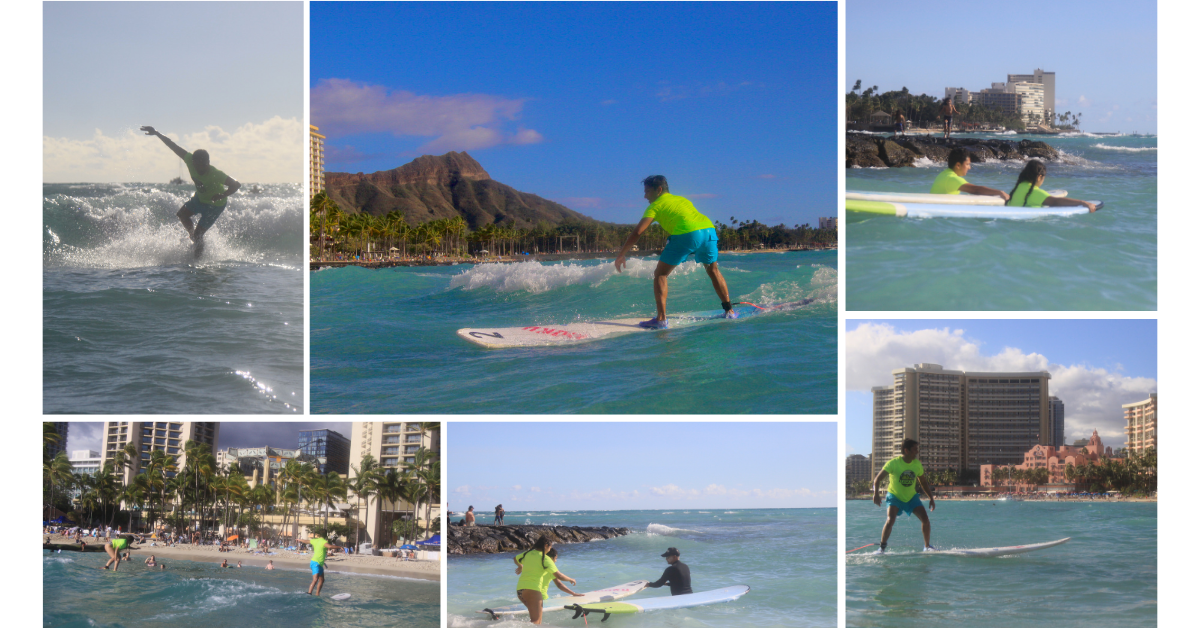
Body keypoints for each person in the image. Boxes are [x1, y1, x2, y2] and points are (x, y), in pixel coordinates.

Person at [614, 176, 734, 328]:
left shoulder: (655, 205)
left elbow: (638, 231)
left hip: (688, 233)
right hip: (709, 230)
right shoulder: (682, 200)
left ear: (659, 190)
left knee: (660, 274)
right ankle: (729, 311)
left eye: (647, 191)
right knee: (713, 271)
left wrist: (621, 254)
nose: (645, 196)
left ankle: (661, 319)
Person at [141, 125, 241, 259]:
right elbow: (173, 146)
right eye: (197, 165)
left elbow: (236, 184)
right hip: (200, 199)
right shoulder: (189, 160)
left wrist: (222, 195)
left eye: (204, 165)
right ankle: (193, 237)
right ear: (193, 162)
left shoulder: (216, 174)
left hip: (215, 206)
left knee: (200, 234)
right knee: (182, 215)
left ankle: (196, 262)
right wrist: (157, 133)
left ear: (208, 163)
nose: (200, 168)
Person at [871, 438, 936, 554]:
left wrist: (931, 498)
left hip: (911, 498)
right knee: (890, 520)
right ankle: (881, 548)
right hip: (894, 496)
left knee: (925, 519)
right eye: (915, 449)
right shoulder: (893, 463)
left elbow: (923, 482)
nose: (917, 452)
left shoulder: (917, 464)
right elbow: (877, 480)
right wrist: (875, 494)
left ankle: (927, 547)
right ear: (906, 450)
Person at [513, 536, 579, 625]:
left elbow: (515, 559)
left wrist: (521, 566)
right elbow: (559, 575)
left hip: (520, 590)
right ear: (546, 545)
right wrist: (570, 579)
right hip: (532, 589)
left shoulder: (528, 553)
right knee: (536, 622)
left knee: (535, 620)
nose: (550, 548)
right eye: (550, 546)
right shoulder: (545, 559)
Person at [1004, 160, 1100, 212]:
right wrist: (1084, 203)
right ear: (1039, 177)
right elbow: (1055, 201)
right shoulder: (1034, 192)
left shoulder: (1019, 187)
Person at [930, 149, 1010, 201]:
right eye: (967, 164)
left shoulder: (945, 174)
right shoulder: (951, 178)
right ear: (958, 165)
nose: (969, 167)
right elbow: (975, 190)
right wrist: (1000, 192)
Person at [305, 531, 343, 597]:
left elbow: (306, 541)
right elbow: (330, 546)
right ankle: (309, 593)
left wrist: (300, 540)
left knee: (322, 580)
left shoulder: (315, 540)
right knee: (315, 579)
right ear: (325, 536)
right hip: (315, 563)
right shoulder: (323, 542)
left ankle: (317, 594)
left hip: (320, 564)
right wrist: (339, 547)